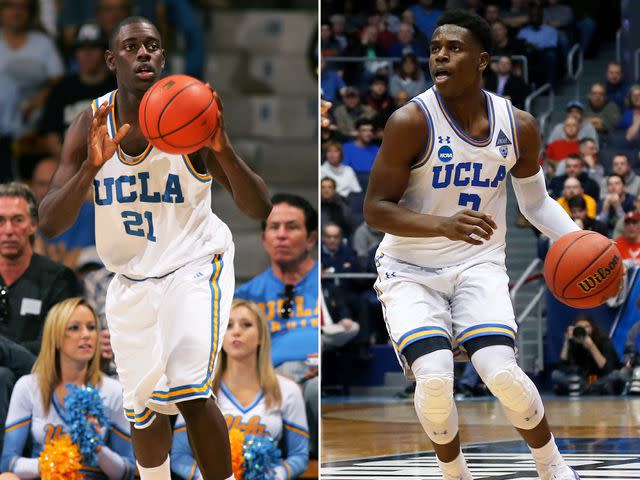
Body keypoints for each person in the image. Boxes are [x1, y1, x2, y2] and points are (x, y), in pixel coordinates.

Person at [37, 16, 271, 480]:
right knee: (142, 407)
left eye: (152, 46)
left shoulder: (191, 114)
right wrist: (89, 169)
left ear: (163, 58)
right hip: (131, 279)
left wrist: (222, 149)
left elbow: (258, 206)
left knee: (189, 386)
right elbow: (48, 223)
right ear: (111, 60)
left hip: (194, 266)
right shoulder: (90, 121)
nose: (143, 53)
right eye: (131, 47)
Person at [364, 10, 582, 480]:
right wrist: (442, 224)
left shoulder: (518, 124)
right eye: (434, 47)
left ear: (482, 60)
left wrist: (582, 241)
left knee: (500, 371)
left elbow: (537, 205)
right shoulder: (409, 120)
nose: (439, 54)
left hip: (479, 262)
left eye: (453, 47)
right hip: (409, 268)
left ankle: (552, 466)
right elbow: (375, 209)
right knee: (437, 378)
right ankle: (455, 472)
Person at [171, 300, 309, 480]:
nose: (236, 331)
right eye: (228, 326)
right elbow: (179, 457)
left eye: (246, 325)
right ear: (220, 335)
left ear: (261, 336)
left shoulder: (287, 390)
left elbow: (299, 455)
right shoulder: (199, 390)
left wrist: (273, 476)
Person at [0, 297, 135, 478]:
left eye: (91, 327)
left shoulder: (113, 391)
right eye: (74, 328)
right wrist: (54, 463)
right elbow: (8, 462)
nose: (86, 334)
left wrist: (97, 447)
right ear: (55, 337)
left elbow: (128, 470)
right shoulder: (29, 386)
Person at [234, 194, 318, 458]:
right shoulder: (246, 296)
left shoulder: (327, 282)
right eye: (274, 227)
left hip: (319, 375)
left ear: (311, 238)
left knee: (316, 391)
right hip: (268, 380)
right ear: (264, 239)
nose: (281, 235)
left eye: (291, 227)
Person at [0, 182, 80, 354]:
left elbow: (56, 343)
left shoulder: (59, 279)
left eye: (17, 220)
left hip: (37, 375)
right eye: (0, 221)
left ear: (33, 224)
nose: (8, 230)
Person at [39, 22, 117, 158]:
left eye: (93, 47)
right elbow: (51, 135)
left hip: (112, 160)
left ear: (106, 54)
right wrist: (68, 164)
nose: (87, 54)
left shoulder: (118, 85)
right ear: (75, 53)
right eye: (81, 48)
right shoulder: (62, 88)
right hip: (70, 162)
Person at [551, 317, 625, 396]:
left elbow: (608, 369)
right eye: (580, 327)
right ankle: (594, 389)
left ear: (593, 328)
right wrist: (566, 342)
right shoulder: (572, 342)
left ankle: (583, 389)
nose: (583, 329)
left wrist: (592, 347)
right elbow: (562, 367)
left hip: (600, 378)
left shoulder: (604, 341)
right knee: (555, 374)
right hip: (580, 380)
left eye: (586, 327)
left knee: (617, 375)